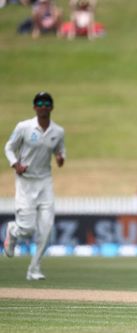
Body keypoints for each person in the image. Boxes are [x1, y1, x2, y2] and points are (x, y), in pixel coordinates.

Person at [3, 92, 66, 281]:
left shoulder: (58, 132)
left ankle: (34, 269)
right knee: (27, 229)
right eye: (40, 103)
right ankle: (13, 231)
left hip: (45, 181)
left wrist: (60, 158)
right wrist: (16, 164)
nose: (43, 106)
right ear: (34, 107)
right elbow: (8, 147)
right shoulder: (24, 127)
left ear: (51, 107)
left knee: (46, 229)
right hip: (25, 181)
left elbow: (60, 150)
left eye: (47, 103)